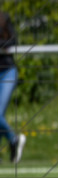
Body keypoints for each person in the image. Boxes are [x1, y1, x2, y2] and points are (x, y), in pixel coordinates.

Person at [0, 11, 26, 164]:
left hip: (8, 72)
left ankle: (13, 139)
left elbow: (13, 42)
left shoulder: (4, 18)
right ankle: (14, 140)